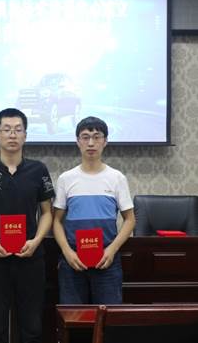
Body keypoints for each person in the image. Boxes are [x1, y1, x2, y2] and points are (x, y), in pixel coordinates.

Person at [0, 108, 55, 343]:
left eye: (18, 130)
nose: (12, 135)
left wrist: (36, 241)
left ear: (25, 135)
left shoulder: (38, 170)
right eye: (6, 129)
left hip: (31, 258)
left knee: (32, 326)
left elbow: (47, 213)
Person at [52, 116, 136, 304]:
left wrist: (112, 250)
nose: (91, 143)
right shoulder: (66, 178)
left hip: (107, 259)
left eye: (97, 137)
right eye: (85, 137)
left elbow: (130, 219)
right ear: (77, 141)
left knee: (109, 317)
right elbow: (56, 220)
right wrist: (67, 251)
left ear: (105, 141)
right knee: (73, 317)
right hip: (73, 259)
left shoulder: (116, 178)